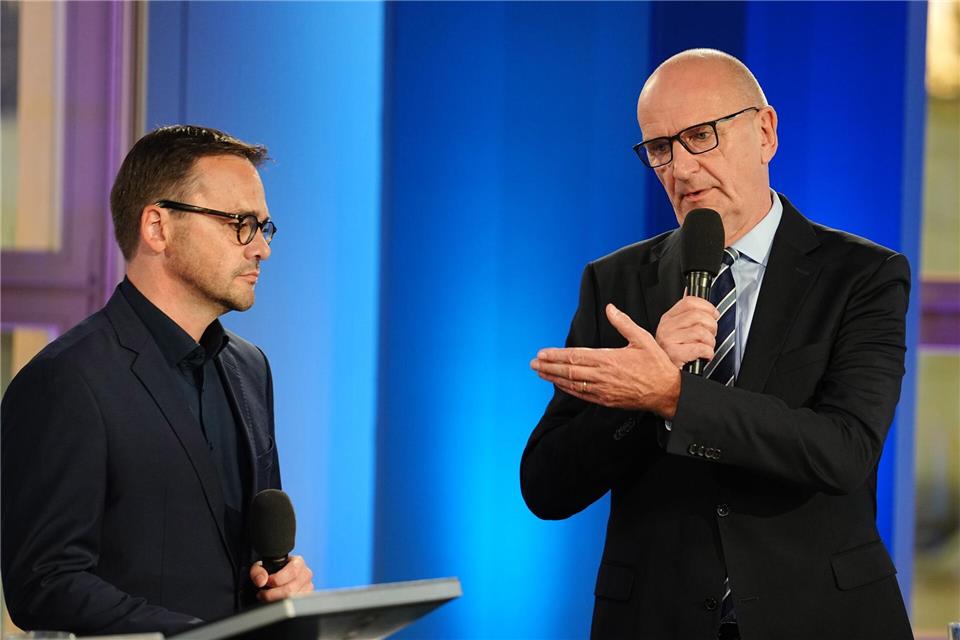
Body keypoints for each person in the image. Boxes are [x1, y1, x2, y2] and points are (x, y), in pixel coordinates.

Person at [521, 49, 913, 640]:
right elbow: (547, 486)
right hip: (656, 617)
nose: (679, 169)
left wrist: (675, 398)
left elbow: (843, 451)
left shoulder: (861, 274)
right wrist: (635, 391)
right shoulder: (617, 282)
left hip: (821, 616)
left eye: (700, 136)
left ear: (764, 132)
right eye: (659, 148)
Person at [1, 125, 315, 635]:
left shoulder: (251, 368)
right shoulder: (67, 380)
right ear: (157, 227)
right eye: (241, 223)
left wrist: (283, 584)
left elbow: (251, 556)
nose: (261, 248)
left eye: (264, 227)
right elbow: (45, 582)